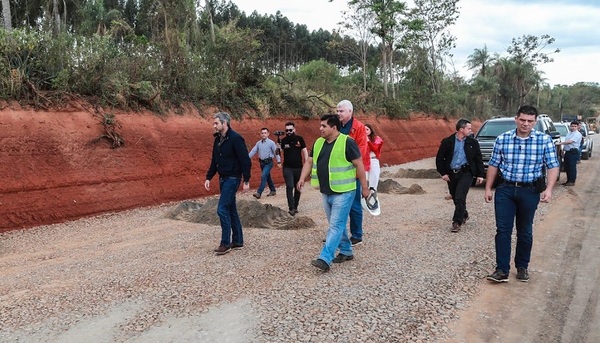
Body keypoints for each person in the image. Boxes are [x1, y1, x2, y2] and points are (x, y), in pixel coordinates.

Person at [484, 105, 559, 282]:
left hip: (530, 191)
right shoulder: (502, 139)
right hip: (505, 190)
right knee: (503, 230)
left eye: (530, 121)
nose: (526, 124)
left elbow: (553, 166)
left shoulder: (544, 140)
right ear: (516, 119)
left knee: (525, 231)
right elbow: (494, 164)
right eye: (523, 120)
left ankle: (522, 266)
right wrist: (488, 187)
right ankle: (502, 270)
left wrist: (549, 189)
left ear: (535, 121)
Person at [297, 114, 369, 272]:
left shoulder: (347, 142)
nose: (320, 128)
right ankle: (346, 251)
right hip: (326, 191)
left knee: (336, 225)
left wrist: (365, 188)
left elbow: (359, 165)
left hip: (345, 192)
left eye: (323, 126)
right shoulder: (318, 142)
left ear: (334, 127)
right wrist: (302, 178)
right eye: (320, 125)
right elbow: (309, 161)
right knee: (337, 224)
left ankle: (325, 258)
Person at [204, 112, 252, 255]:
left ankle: (225, 243)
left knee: (222, 209)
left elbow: (245, 160)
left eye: (216, 123)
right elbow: (215, 161)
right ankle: (237, 240)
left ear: (225, 123)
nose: (214, 125)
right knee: (231, 209)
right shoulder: (217, 140)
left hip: (232, 178)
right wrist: (208, 177)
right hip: (223, 178)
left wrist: (246, 179)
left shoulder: (236, 139)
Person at [435, 119, 485, 233]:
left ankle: (456, 222)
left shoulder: (473, 143)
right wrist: (443, 173)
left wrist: (480, 175)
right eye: (469, 128)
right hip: (452, 173)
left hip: (466, 173)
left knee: (459, 196)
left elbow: (478, 159)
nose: (471, 130)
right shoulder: (447, 142)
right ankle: (464, 214)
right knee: (455, 196)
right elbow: (439, 159)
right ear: (461, 129)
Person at [337, 100, 370, 246]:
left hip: (353, 172)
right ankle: (338, 234)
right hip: (338, 173)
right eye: (337, 111)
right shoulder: (336, 126)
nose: (338, 114)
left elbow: (361, 152)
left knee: (354, 205)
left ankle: (357, 235)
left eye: (341, 111)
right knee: (337, 205)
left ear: (350, 111)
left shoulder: (359, 128)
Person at [280, 121, 308, 216]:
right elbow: (278, 152)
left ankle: (295, 206)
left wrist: (307, 162)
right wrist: (277, 144)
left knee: (298, 187)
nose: (288, 132)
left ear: (294, 129)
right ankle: (291, 207)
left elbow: (304, 151)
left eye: (290, 130)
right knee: (289, 186)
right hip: (287, 168)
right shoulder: (283, 140)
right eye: (287, 130)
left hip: (299, 167)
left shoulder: (299, 139)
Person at [248, 128, 281, 199]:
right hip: (262, 163)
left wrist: (278, 161)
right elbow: (253, 151)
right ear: (260, 134)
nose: (263, 134)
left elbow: (276, 152)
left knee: (263, 176)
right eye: (262, 133)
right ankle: (273, 190)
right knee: (267, 177)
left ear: (268, 134)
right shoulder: (258, 143)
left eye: (265, 133)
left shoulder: (271, 143)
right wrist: (247, 158)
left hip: (269, 163)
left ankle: (259, 193)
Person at [558, 121, 582, 186]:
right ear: (570, 126)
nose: (573, 127)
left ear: (577, 127)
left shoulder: (577, 134)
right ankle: (568, 181)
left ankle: (572, 181)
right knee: (567, 167)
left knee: (572, 167)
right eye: (572, 126)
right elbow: (567, 142)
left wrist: (560, 143)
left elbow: (570, 142)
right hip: (568, 152)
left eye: (575, 126)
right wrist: (563, 150)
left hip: (573, 152)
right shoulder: (569, 133)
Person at [365, 124, 384, 190]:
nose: (365, 131)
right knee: (364, 181)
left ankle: (373, 197)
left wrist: (368, 141)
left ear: (371, 130)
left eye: (367, 129)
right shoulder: (361, 139)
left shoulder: (377, 138)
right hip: (364, 161)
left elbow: (375, 148)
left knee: (373, 183)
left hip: (373, 160)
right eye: (364, 130)